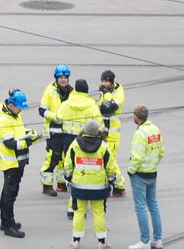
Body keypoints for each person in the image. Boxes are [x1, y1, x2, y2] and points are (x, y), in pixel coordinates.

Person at [63, 119, 120, 247]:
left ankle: (76, 240)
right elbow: (111, 167)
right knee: (99, 213)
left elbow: (68, 164)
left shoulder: (75, 144)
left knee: (78, 213)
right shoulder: (104, 146)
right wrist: (112, 181)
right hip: (99, 187)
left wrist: (68, 178)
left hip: (79, 186)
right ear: (97, 132)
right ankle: (101, 242)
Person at [0, 88, 41, 239]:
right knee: (10, 193)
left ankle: (5, 221)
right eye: (20, 108)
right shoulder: (3, 120)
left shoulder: (14, 115)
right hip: (11, 162)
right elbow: (10, 143)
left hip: (17, 161)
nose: (21, 111)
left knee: (8, 192)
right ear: (12, 105)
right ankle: (9, 225)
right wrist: (28, 141)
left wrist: (29, 133)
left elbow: (19, 131)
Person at [58, 78, 101, 219]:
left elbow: (58, 117)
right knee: (84, 172)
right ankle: (80, 203)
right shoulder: (92, 105)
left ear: (75, 89)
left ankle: (72, 206)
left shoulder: (66, 104)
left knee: (71, 171)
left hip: (68, 141)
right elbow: (99, 126)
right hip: (86, 141)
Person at [126, 104, 165, 249]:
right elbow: (161, 152)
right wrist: (153, 164)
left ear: (136, 117)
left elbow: (137, 157)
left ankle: (144, 241)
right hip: (152, 173)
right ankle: (158, 239)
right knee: (153, 206)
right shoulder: (155, 129)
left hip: (140, 175)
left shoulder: (139, 133)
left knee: (141, 207)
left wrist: (131, 170)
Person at [39, 64, 74, 195]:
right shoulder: (49, 91)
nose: (63, 80)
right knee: (53, 157)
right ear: (56, 78)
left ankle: (61, 183)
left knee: (64, 158)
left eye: (65, 77)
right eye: (61, 77)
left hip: (66, 130)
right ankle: (46, 185)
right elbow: (42, 110)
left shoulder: (71, 91)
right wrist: (55, 117)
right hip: (53, 130)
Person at [97, 69, 127, 197]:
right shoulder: (105, 91)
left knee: (111, 161)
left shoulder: (119, 92)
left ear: (112, 82)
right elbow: (101, 107)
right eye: (102, 81)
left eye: (106, 81)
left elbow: (112, 106)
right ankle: (109, 185)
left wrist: (106, 94)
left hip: (113, 134)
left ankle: (119, 186)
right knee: (105, 161)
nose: (104, 84)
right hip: (104, 131)